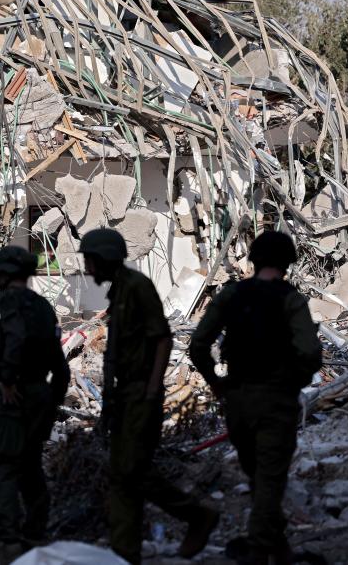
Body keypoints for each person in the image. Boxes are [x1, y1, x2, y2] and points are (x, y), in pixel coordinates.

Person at [79, 228, 218, 564]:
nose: (88, 269)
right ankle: (126, 551)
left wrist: (152, 390)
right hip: (123, 398)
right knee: (124, 474)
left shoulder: (138, 288)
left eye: (90, 261)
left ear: (104, 259)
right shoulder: (119, 291)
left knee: (131, 472)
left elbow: (162, 339)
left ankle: (195, 517)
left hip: (140, 396)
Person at [189, 231, 321, 565]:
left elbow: (198, 345)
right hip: (276, 403)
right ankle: (258, 553)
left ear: (254, 259)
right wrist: (293, 384)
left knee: (261, 481)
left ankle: (278, 551)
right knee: (269, 483)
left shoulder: (231, 295)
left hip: (238, 402)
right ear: (288, 264)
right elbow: (310, 354)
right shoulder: (290, 300)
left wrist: (216, 385)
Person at [0, 245, 70, 547]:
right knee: (30, 464)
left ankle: (9, 536)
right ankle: (36, 530)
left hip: (17, 394)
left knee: (5, 466)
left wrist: (7, 379)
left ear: (3, 275)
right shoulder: (43, 306)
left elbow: (16, 335)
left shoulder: (11, 299)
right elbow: (59, 362)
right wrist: (52, 401)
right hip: (41, 393)